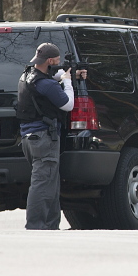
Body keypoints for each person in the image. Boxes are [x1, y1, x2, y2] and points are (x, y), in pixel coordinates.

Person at [16, 42, 86, 230]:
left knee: (49, 182)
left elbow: (51, 76)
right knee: (42, 183)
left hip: (30, 138)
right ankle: (36, 225)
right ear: (50, 61)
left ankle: (50, 224)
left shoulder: (28, 75)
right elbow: (67, 104)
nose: (59, 63)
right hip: (43, 138)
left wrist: (71, 74)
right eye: (57, 61)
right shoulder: (46, 84)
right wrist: (68, 82)